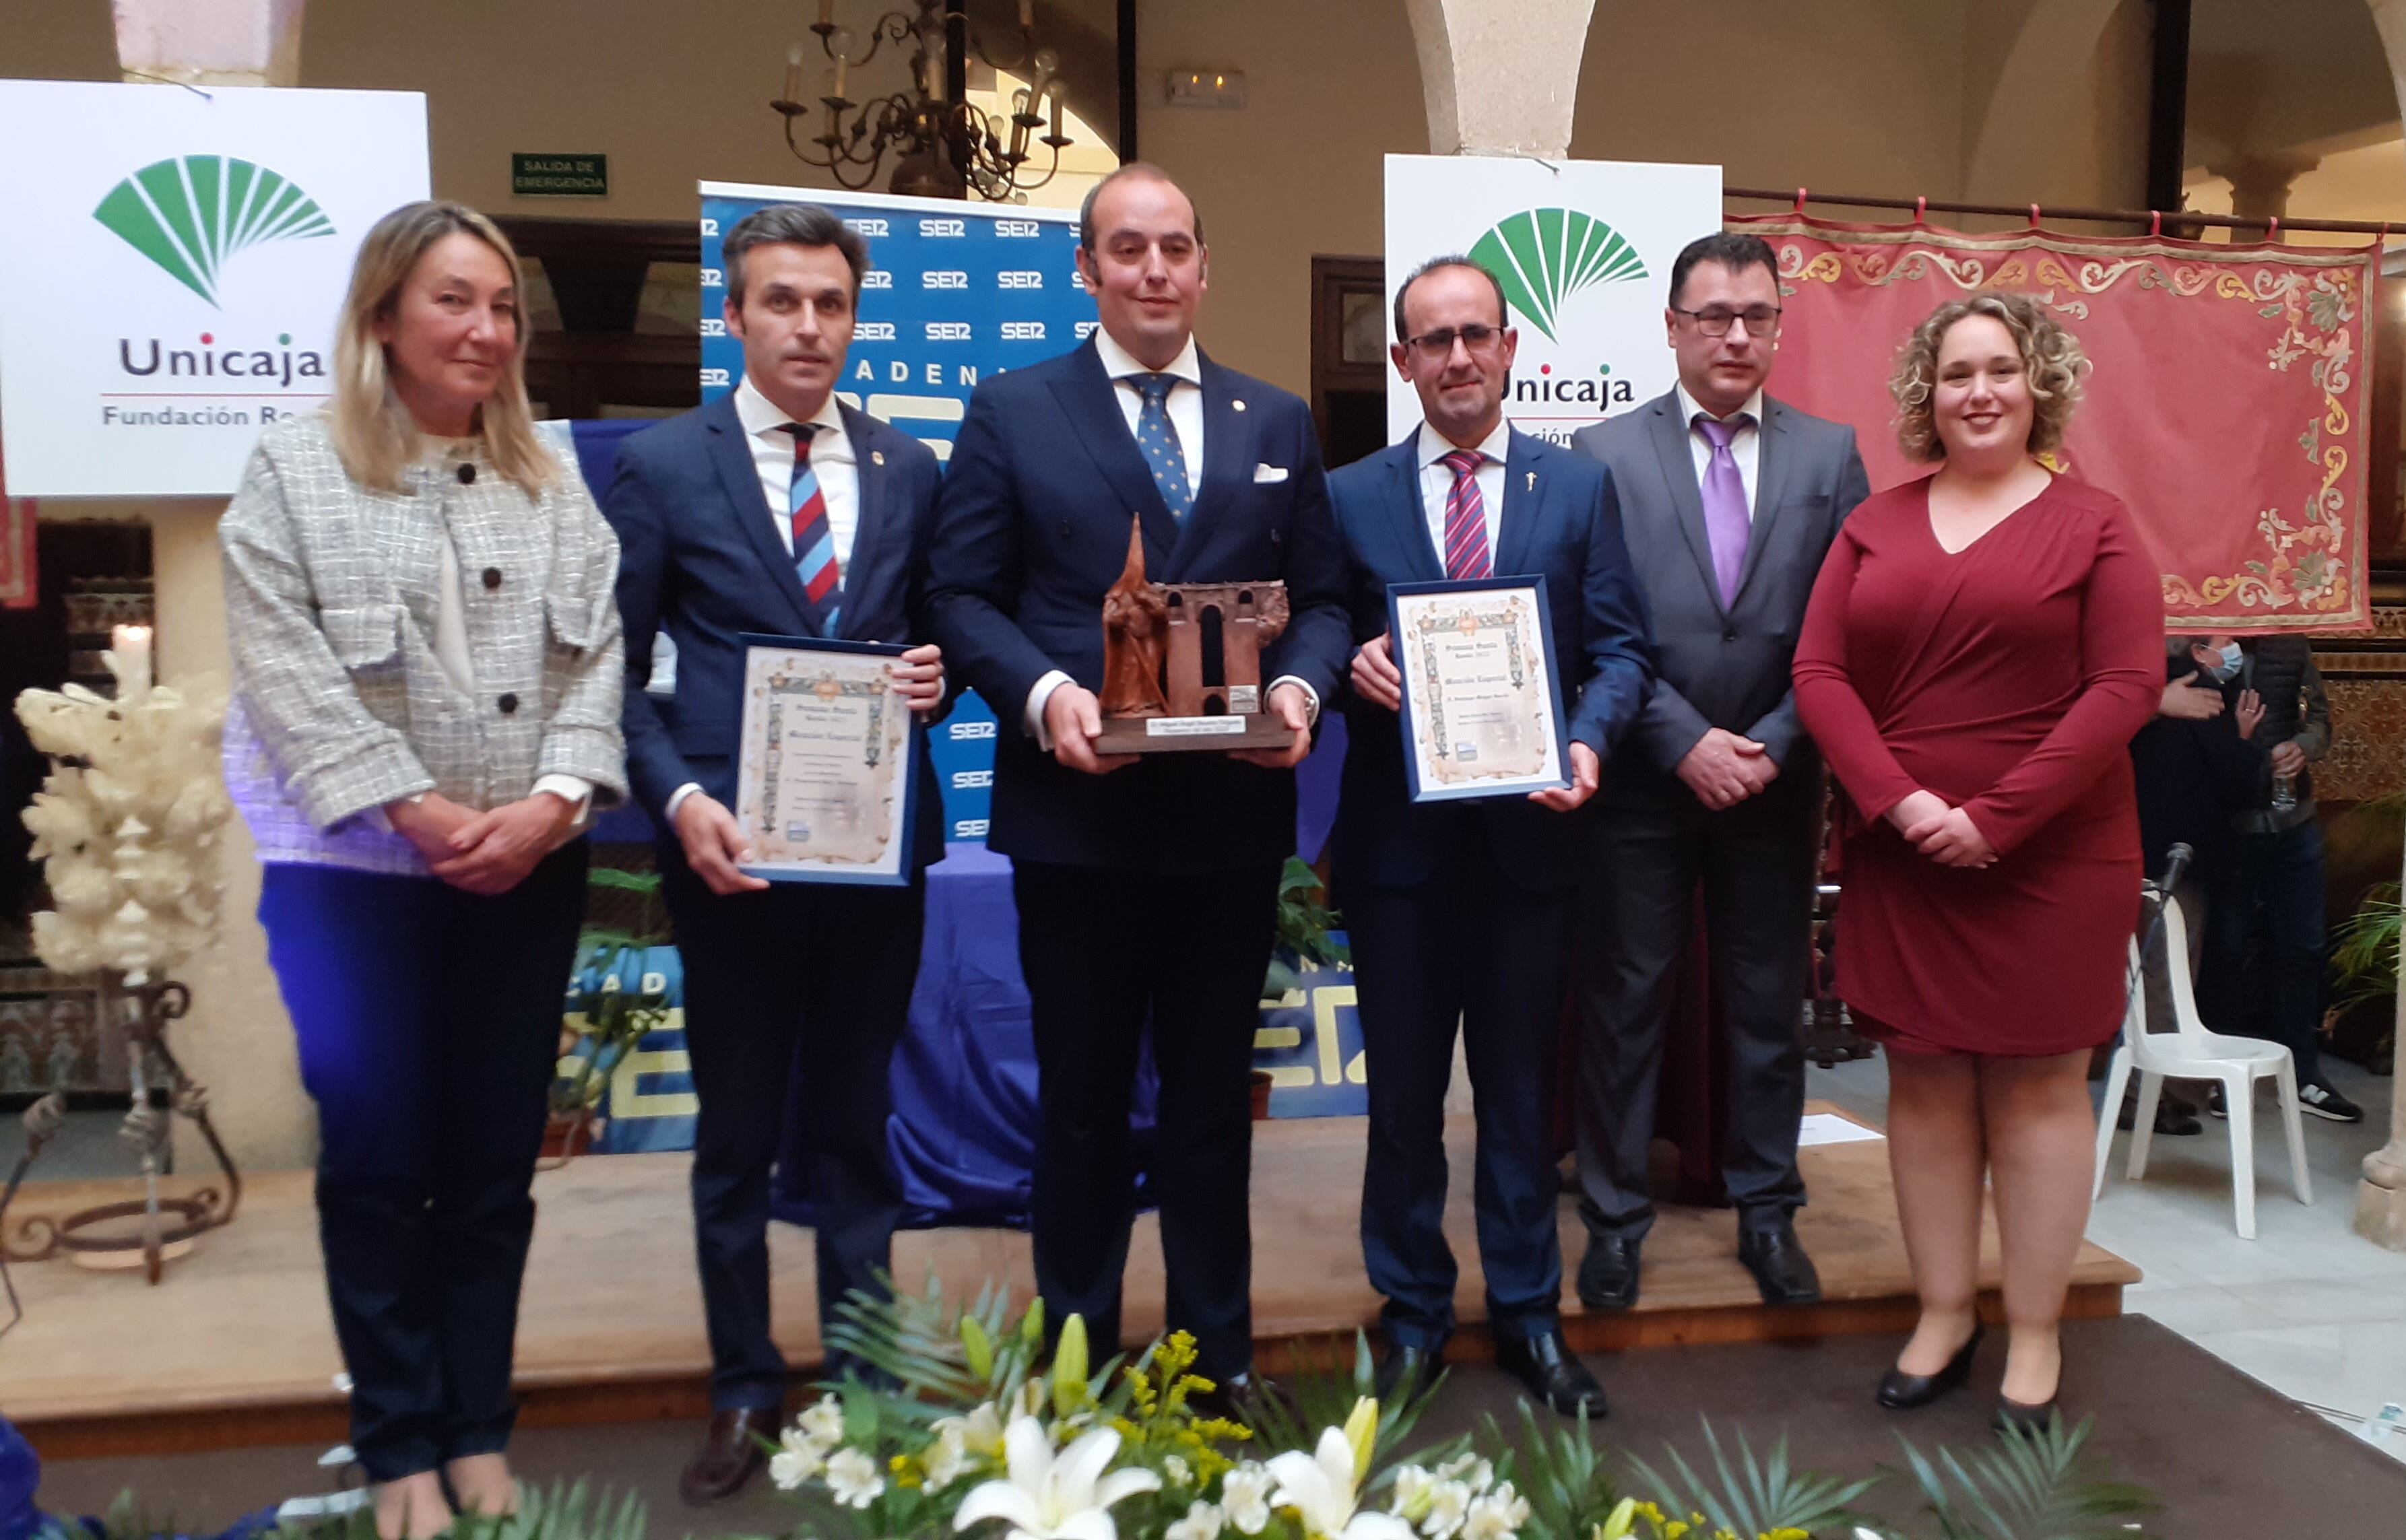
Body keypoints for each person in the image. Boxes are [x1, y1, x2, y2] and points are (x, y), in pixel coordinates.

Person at [220, 201, 626, 1539]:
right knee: (382, 1164)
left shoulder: (552, 478)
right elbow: (283, 673)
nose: (488, 330)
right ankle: (399, 1442)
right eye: (457, 301)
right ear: (384, 314)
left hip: (526, 872)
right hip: (355, 889)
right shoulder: (293, 470)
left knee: (495, 1164)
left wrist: (553, 806)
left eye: (505, 307)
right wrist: (418, 811)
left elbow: (598, 665)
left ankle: (477, 1427)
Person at [923, 164, 1349, 1400]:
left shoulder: (1275, 421)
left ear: (1205, 267)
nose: (1153, 269)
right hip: (1078, 824)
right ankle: (1077, 1365)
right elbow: (960, 595)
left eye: (1174, 248)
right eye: (1127, 249)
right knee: (1082, 1108)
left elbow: (1320, 600)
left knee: (1215, 1109)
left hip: (1226, 831)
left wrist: (1301, 691)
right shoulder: (1012, 408)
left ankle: (1220, 1360)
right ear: (1088, 271)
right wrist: (1042, 694)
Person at [602, 203, 948, 1504]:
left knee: (858, 1127)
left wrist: (940, 674)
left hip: (871, 852)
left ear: (855, 319)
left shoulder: (909, 467)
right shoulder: (662, 465)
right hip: (730, 851)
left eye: (831, 304)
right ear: (733, 315)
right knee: (737, 1135)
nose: (810, 326)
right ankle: (742, 1385)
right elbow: (618, 676)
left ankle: (864, 1384)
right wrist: (676, 797)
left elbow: (935, 641)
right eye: (783, 302)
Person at [1791, 292, 2161, 1431]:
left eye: (2000, 369)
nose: (1979, 392)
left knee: (2042, 1087)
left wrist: (1995, 815)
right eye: (1956, 374)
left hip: (2050, 855)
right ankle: (1944, 1311)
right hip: (1904, 853)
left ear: (2037, 383)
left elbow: (2126, 685)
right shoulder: (1875, 525)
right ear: (1926, 395)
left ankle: (2036, 1329)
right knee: (1925, 1080)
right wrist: (1899, 803)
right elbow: (1818, 674)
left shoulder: (2095, 524)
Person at [1330, 256, 1652, 1414]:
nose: (1457, 356)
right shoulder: (1348, 493)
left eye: (1476, 334)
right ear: (1402, 359)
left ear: (1512, 349)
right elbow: (1317, 632)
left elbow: (1619, 650)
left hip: (1532, 847)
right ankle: (1412, 1310)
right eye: (1433, 339)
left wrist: (1588, 741)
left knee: (1519, 1098)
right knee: (1404, 1105)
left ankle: (1528, 1312)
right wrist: (1344, 662)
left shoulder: (1577, 492)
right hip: (1398, 859)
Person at [1567, 232, 1869, 1312]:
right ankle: (1612, 1217)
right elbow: (1591, 628)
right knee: (1626, 998)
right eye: (1713, 315)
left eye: (1757, 315)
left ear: (1781, 325)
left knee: (1763, 1002)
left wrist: (1779, 738)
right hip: (1647, 781)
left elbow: (1848, 630)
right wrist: (1683, 737)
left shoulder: (1831, 456)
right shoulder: (1599, 454)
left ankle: (1768, 1209)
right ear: (1671, 327)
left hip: (1777, 780)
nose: (1736, 334)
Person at [2199, 636, 2364, 1123]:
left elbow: (2319, 721)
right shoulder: (2192, 639)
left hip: (2296, 821)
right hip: (2229, 821)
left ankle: (2304, 1072)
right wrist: (2239, 744)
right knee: (2224, 947)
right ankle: (2220, 1073)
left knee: (2304, 945)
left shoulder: (2291, 643)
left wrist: (2301, 747)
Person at [2122, 638, 2265, 1135]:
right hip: (2176, 862)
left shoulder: (2139, 684)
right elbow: (2239, 783)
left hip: (2137, 848)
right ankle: (2146, 1098)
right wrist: (2245, 739)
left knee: (2155, 974)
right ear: (2201, 649)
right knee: (2168, 977)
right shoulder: (2198, 686)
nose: (2233, 647)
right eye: (2222, 639)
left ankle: (2162, 1092)